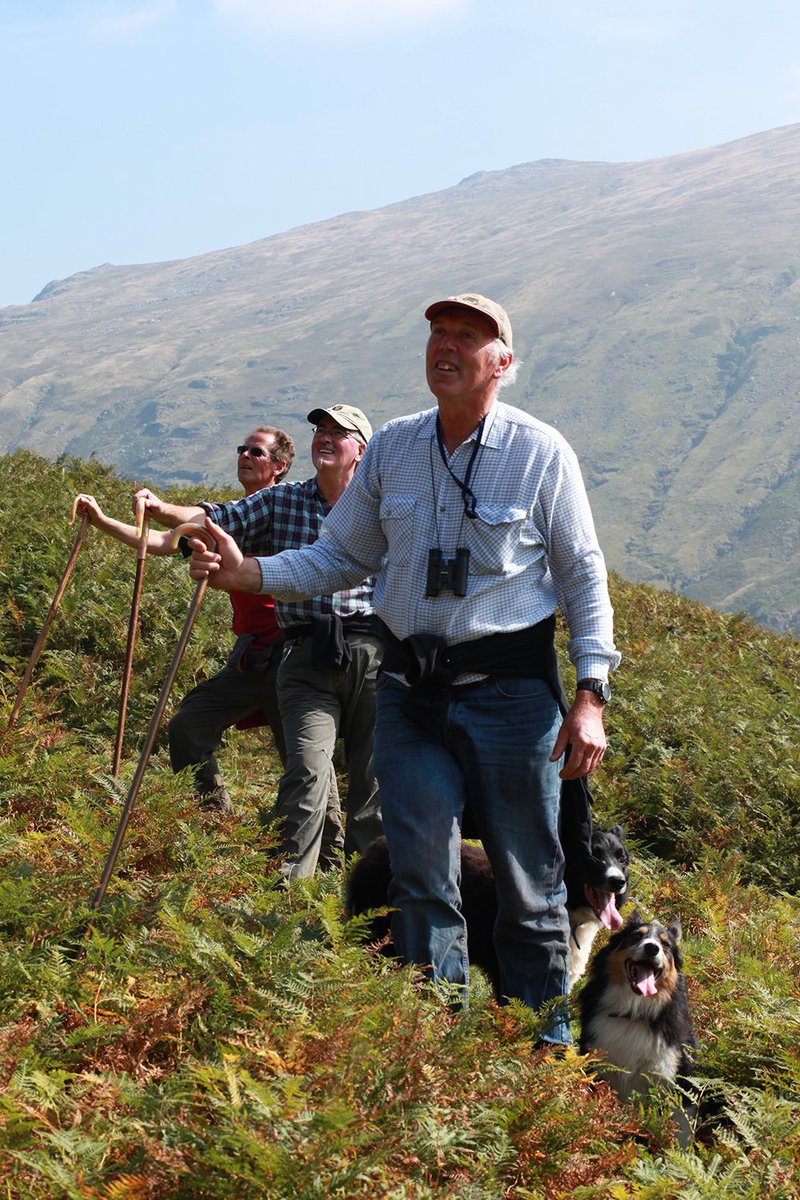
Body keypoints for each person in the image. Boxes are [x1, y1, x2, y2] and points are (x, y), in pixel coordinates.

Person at [186, 295, 620, 1045]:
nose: (445, 348)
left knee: (529, 886)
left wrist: (591, 694)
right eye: (437, 335)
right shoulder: (392, 447)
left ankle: (545, 1057)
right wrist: (248, 574)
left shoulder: (541, 452)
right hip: (410, 693)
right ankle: (440, 1048)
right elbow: (340, 555)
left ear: (503, 363)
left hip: (515, 697)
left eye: (467, 338)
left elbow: (582, 572)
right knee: (418, 872)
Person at [177, 404, 383, 878]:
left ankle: (367, 894)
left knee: (372, 783)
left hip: (373, 652)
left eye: (340, 432)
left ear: (362, 451)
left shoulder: (383, 506)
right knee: (307, 770)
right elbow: (216, 517)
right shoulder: (282, 501)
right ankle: (292, 896)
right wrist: (171, 518)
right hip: (305, 654)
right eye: (320, 430)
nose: (326, 437)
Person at [74, 426, 298, 814]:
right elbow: (162, 542)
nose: (245, 455)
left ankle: (319, 855)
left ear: (278, 466)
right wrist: (101, 520)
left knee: (299, 758)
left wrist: (160, 508)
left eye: (256, 452)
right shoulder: (231, 516)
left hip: (289, 654)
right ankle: (217, 822)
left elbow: (188, 521)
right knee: (188, 726)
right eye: (242, 448)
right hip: (250, 656)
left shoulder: (284, 511)